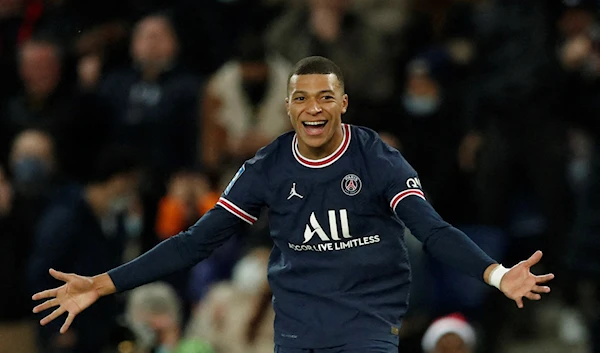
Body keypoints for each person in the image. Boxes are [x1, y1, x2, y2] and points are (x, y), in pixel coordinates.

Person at [32, 56, 554, 353]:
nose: (313, 108)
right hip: (297, 332)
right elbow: (197, 241)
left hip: (366, 326)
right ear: (287, 107)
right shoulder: (265, 168)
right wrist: (103, 283)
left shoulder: (378, 159)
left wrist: (495, 274)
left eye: (325, 97)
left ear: (343, 104)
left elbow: (432, 231)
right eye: (301, 98)